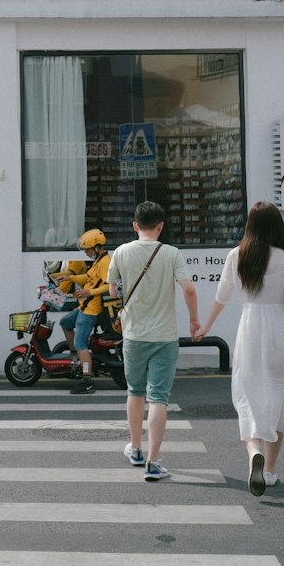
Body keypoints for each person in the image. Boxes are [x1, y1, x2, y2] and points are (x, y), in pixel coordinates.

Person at [195, 200, 284, 496]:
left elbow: (222, 297)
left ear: (249, 225)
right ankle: (272, 471)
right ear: (278, 226)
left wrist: (205, 328)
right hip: (282, 330)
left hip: (251, 330)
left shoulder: (236, 255)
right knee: (279, 397)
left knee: (249, 395)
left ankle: (254, 454)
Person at [107, 200, 199, 482]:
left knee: (135, 392)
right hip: (165, 337)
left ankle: (135, 449)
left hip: (133, 336)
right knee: (158, 398)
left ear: (135, 225)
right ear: (161, 226)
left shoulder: (121, 252)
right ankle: (153, 462)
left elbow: (112, 290)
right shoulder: (172, 254)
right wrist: (195, 321)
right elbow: (190, 290)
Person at [52, 229, 111, 394]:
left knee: (81, 344)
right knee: (65, 323)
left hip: (91, 310)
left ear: (97, 247)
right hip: (83, 306)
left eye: (87, 249)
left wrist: (89, 292)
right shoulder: (98, 261)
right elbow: (88, 278)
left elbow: (110, 285)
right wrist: (70, 278)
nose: (86, 252)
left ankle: (87, 380)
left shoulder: (105, 262)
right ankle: (76, 358)